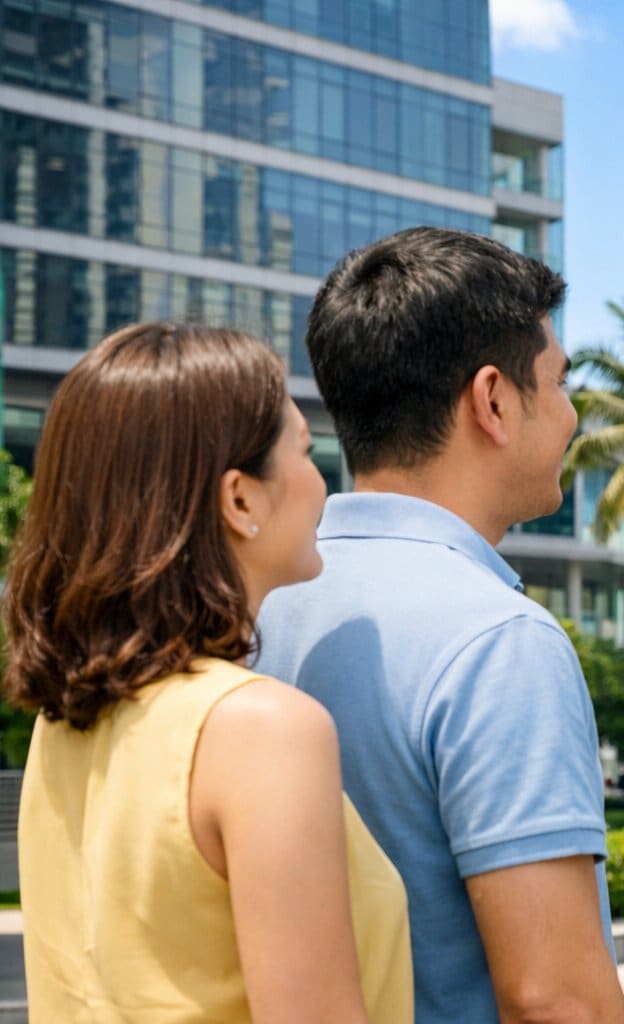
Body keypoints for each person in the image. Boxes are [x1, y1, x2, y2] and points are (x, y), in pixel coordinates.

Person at [255, 227, 624, 1024]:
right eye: (559, 384)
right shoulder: (500, 642)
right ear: (493, 401)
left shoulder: (255, 608)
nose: (569, 418)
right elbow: (555, 999)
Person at [4, 323, 412, 1023]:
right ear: (241, 500)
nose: (322, 484)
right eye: (306, 454)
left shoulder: (63, 721)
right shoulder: (262, 729)